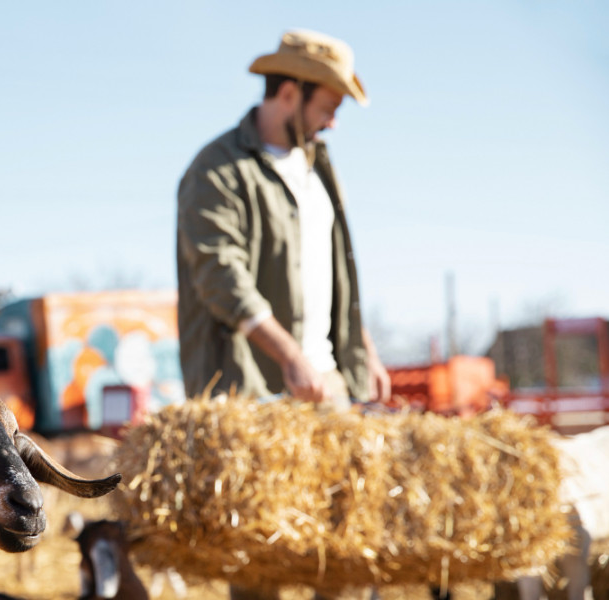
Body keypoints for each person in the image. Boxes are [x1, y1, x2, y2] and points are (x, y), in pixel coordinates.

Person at [176, 30, 391, 600]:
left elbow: (330, 272)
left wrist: (361, 345)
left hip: (330, 386)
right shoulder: (217, 170)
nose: (334, 123)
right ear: (290, 93)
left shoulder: (319, 166)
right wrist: (291, 357)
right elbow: (223, 279)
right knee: (259, 561)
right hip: (253, 394)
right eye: (329, 107)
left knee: (341, 553)